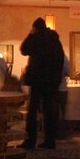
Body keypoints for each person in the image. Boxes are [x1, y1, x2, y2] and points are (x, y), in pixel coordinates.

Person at [20, 17, 65, 149]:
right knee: (49, 111)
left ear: (35, 28)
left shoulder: (37, 38)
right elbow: (60, 59)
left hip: (38, 80)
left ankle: (30, 141)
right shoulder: (55, 40)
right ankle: (50, 141)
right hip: (51, 81)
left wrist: (30, 34)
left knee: (32, 111)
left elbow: (24, 49)